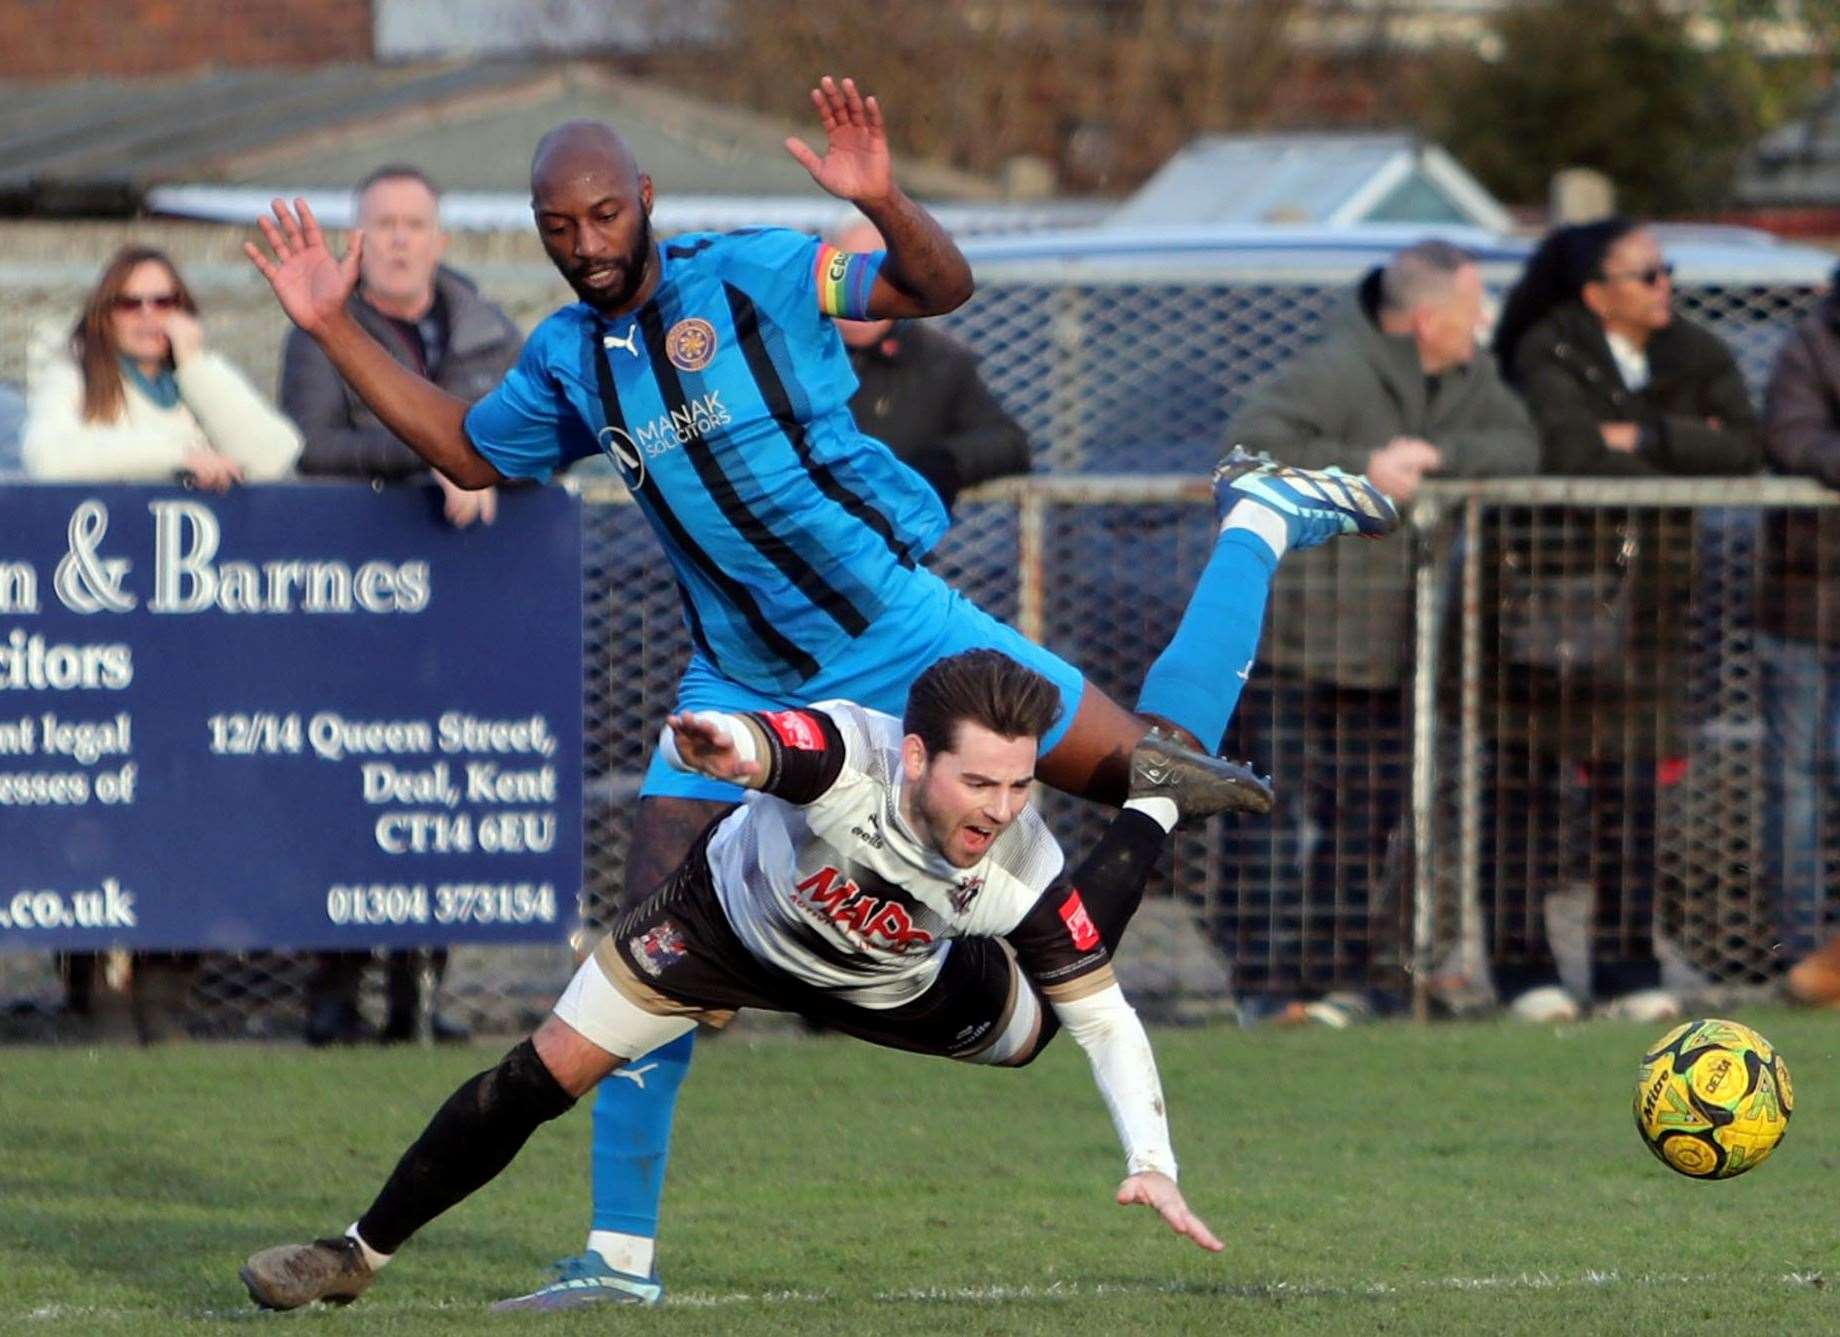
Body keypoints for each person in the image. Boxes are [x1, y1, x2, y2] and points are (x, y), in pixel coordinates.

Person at [243, 74, 1397, 1308]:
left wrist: (885, 200)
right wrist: (331, 324)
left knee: (1157, 768)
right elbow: (466, 447)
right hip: (734, 673)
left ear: (645, 201)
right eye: (556, 227)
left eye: (600, 216)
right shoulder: (568, 361)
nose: (583, 245)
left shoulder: (766, 271)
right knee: (646, 943)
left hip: (897, 631)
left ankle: (1259, 519)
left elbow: (937, 287)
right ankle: (618, 1257)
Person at [239, 649, 1232, 1311]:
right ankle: (354, 1255)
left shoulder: (1015, 858)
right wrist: (733, 747)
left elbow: (1105, 1018)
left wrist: (1155, 1158)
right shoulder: (849, 754)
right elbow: (777, 747)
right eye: (979, 782)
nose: (1002, 807)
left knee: (1045, 1015)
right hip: (721, 927)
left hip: (897, 983)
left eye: (1021, 784)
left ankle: (1152, 806)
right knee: (534, 1077)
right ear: (915, 753)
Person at [1217, 240, 1540, 1025]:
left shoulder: (1469, 380)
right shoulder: (1334, 371)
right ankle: (1268, 988)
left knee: (1365, 821)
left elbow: (1520, 446)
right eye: (1472, 308)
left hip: (1394, 647)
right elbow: (1244, 452)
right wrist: (1362, 469)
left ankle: (1341, 980)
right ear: (1428, 318)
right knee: (1272, 820)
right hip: (1299, 642)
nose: (1484, 322)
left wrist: (1437, 457)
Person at [21, 244, 302, 1042]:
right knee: (101, 810)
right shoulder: (74, 377)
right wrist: (177, 459)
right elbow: (52, 456)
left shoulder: (199, 383)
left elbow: (275, 455)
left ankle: (168, 992)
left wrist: (199, 369)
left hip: (197, 642)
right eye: (132, 303)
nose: (149, 317)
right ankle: (100, 990)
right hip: (101, 638)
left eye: (165, 300)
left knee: (190, 807)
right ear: (105, 313)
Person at [1486, 218, 1761, 1024]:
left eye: (1666, 270)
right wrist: (1682, 446)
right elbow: (1568, 448)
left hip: (1649, 609)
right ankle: (1521, 969)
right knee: (1524, 789)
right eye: (1646, 274)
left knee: (1631, 794)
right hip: (1545, 601)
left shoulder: (1698, 353)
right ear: (1597, 291)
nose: (1664, 285)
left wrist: (1640, 434)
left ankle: (1625, 967)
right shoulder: (1548, 349)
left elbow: (1745, 447)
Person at [280, 163, 525, 1047]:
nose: (396, 237)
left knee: (445, 784)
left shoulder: (489, 331)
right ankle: (334, 989)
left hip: (467, 596)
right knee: (351, 790)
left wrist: (487, 462)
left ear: (440, 237)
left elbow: (546, 437)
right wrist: (436, 453)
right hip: (355, 597)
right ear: (358, 235)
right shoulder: (320, 328)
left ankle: (421, 993)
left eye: (412, 222)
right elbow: (310, 447)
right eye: (379, 221)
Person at [1757, 259, 1840, 1003]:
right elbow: (1794, 438)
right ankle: (1802, 952)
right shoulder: (1810, 345)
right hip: (1807, 604)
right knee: (1798, 782)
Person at [827, 213, 1030, 510]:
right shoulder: (786, 349)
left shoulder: (937, 362)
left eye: (876, 273)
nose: (862, 288)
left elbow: (1008, 443)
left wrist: (944, 462)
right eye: (848, 273)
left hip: (890, 542)